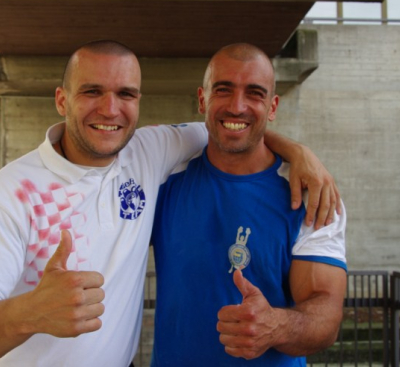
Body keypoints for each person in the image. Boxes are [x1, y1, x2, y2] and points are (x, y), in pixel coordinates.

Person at [0, 40, 340, 366]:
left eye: (125, 94)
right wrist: (29, 313)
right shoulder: (12, 192)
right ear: (62, 101)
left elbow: (235, 129)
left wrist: (300, 153)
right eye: (92, 91)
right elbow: (231, 124)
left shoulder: (148, 153)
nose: (110, 109)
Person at [151, 43, 347, 366]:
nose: (237, 106)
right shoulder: (161, 181)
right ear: (202, 99)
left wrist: (276, 326)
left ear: (272, 107)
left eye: (254, 93)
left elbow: (326, 314)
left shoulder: (311, 195)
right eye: (223, 90)